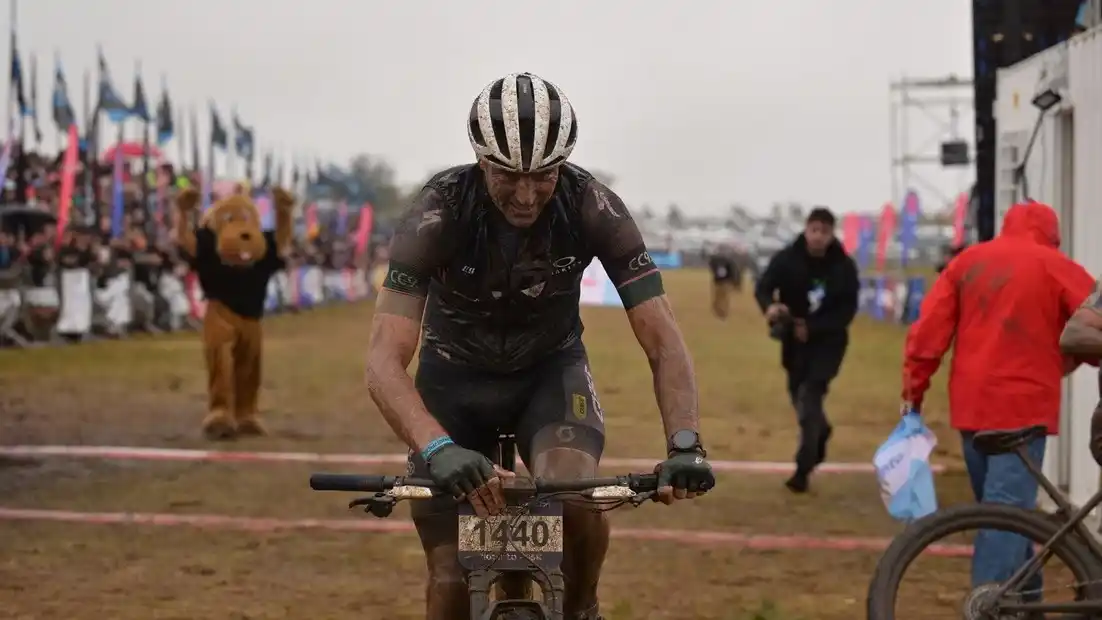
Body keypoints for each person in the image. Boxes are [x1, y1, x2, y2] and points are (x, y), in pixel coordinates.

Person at [364, 72, 714, 620]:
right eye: (508, 176)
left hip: (549, 374)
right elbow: (383, 360)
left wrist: (686, 443)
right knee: (450, 581)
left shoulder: (593, 206)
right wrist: (437, 448)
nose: (526, 195)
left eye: (543, 176)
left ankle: (580, 608)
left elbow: (662, 337)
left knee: (575, 492)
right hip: (452, 381)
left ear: (564, 165)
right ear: (481, 161)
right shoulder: (438, 211)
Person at [902, 200, 1095, 593]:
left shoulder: (967, 262)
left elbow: (926, 337)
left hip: (972, 409)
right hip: (1024, 410)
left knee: (1006, 518)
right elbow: (1094, 324)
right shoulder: (1054, 265)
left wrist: (913, 393)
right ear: (1052, 236)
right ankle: (988, 604)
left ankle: (1027, 606)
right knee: (1004, 519)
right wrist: (1069, 360)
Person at [754, 207, 858, 493]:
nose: (818, 237)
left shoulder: (844, 267)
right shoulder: (787, 259)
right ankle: (821, 434)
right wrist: (771, 307)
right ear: (806, 229)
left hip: (828, 345)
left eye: (824, 232)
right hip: (793, 345)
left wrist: (813, 328)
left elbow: (847, 310)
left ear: (831, 234)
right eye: (814, 230)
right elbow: (762, 287)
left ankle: (802, 470)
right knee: (801, 403)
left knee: (810, 397)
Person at [708, 243, 741, 319]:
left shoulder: (715, 260)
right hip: (723, 282)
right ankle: (721, 311)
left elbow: (713, 268)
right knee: (722, 298)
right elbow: (733, 271)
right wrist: (735, 282)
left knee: (720, 298)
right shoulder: (728, 261)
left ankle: (721, 311)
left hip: (721, 282)